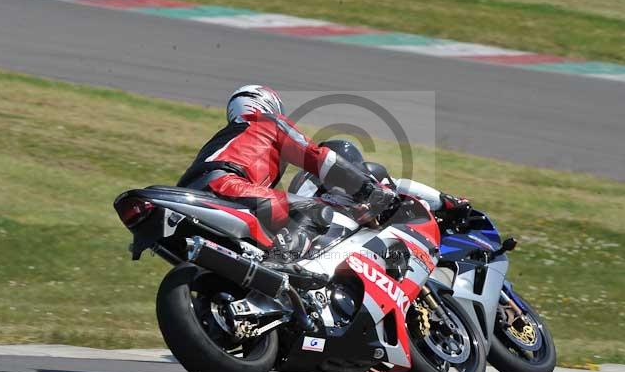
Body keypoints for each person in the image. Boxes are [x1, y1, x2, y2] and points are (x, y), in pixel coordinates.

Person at [177, 85, 396, 258]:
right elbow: (318, 158)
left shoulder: (226, 138)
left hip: (192, 193)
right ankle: (285, 262)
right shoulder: (268, 122)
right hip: (225, 185)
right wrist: (367, 189)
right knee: (313, 211)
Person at [288, 139, 472, 227]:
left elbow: (400, 186)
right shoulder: (305, 184)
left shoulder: (370, 175)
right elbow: (295, 214)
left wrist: (443, 200)